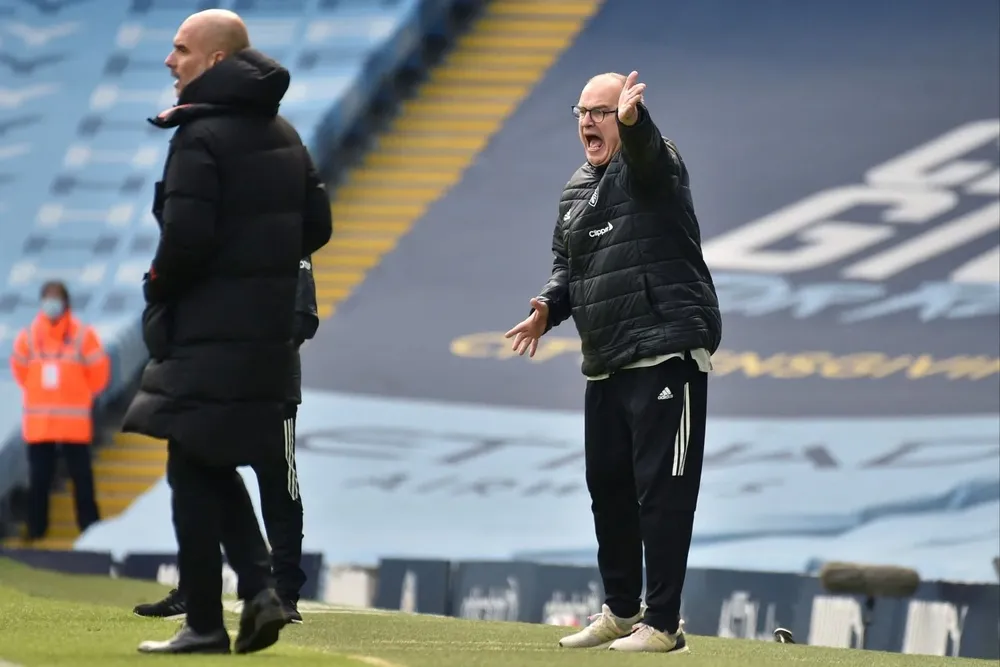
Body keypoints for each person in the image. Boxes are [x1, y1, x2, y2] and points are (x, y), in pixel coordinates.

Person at [121, 8, 332, 655]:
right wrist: (261, 269)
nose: (169, 60)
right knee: (199, 459)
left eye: (180, 49)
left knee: (192, 459)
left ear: (216, 62)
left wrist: (156, 288)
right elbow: (317, 227)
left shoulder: (200, 137)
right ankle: (252, 593)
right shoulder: (287, 135)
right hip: (264, 337)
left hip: (209, 334)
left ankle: (216, 616)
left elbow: (184, 242)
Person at [504, 71, 722, 653]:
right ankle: (622, 611)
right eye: (582, 112)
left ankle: (664, 623)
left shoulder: (655, 163)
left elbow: (648, 155)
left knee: (664, 492)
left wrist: (635, 123)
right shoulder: (576, 189)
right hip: (605, 360)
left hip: (664, 351)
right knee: (609, 489)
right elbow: (566, 268)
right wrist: (549, 307)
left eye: (601, 112)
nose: (588, 122)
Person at [132, 254, 320, 625]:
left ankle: (283, 594)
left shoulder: (287, 228)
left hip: (269, 389)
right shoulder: (218, 228)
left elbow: (301, 318)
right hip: (215, 383)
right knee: (200, 482)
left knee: (279, 487)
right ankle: (195, 590)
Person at [9, 280, 110, 541]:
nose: (51, 304)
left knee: (82, 479)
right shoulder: (29, 337)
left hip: (73, 424)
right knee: (39, 480)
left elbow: (99, 374)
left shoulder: (82, 336)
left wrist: (79, 395)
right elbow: (20, 371)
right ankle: (36, 529)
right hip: (41, 425)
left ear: (65, 302)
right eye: (47, 298)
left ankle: (90, 528)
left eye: (55, 298)